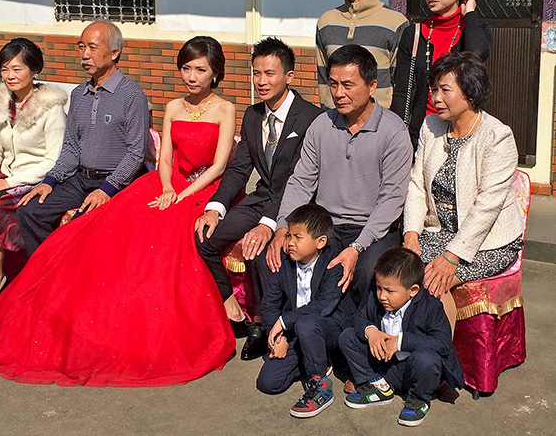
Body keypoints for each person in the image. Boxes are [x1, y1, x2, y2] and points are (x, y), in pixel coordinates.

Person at [0, 36, 237, 387]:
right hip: (165, 184)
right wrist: (166, 188)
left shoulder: (224, 108)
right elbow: (164, 159)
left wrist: (180, 195)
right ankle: (56, 300)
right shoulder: (172, 106)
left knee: (158, 234)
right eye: (186, 68)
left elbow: (219, 166)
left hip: (203, 187)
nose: (191, 76)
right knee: (100, 225)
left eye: (200, 70)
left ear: (215, 73)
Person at [195, 38, 322, 361]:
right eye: (256, 74)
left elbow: (299, 179)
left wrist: (269, 224)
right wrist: (215, 207)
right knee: (204, 237)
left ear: (289, 77)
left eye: (270, 74)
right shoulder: (252, 115)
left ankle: (269, 325)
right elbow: (239, 169)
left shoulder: (310, 118)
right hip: (261, 198)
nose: (261, 82)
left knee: (264, 250)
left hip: (298, 204)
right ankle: (234, 311)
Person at [271, 44, 413, 308]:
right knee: (279, 257)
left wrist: (358, 247)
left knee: (366, 272)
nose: (338, 93)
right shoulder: (321, 125)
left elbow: (392, 199)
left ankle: (361, 338)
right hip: (327, 226)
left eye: (348, 85)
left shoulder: (393, 132)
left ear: (372, 86)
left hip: (374, 231)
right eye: (333, 84)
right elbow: (301, 181)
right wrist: (283, 227)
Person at [402, 52, 524, 331]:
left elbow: (487, 207)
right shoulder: (431, 127)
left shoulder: (497, 136)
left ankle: (438, 362)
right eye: (434, 89)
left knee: (434, 283)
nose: (435, 98)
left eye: (445, 90)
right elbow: (417, 185)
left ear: (470, 92)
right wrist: (411, 236)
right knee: (401, 274)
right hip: (439, 232)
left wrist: (451, 257)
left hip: (487, 241)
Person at [16, 20, 150, 256]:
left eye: (93, 47)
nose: (85, 54)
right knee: (30, 211)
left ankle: (69, 281)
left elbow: (136, 153)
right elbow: (71, 147)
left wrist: (107, 189)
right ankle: (45, 274)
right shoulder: (79, 94)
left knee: (80, 223)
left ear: (115, 53)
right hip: (81, 179)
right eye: (81, 46)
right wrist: (50, 181)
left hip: (117, 183)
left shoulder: (131, 94)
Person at [0, 38, 67, 307]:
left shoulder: (50, 107)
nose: (10, 76)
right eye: (5, 69)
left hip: (33, 179)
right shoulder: (1, 101)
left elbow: (54, 160)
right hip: (4, 177)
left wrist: (9, 181)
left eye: (17, 69)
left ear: (34, 70)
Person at [339, 248, 464, 427]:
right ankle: (378, 386)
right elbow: (360, 318)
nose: (382, 296)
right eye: (379, 288)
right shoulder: (377, 299)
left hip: (415, 372)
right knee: (348, 337)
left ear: (413, 290)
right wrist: (371, 331)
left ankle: (418, 400)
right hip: (386, 366)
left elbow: (443, 344)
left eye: (389, 291)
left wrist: (401, 342)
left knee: (426, 359)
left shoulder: (430, 307)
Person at [256, 204, 356, 419]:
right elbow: (270, 304)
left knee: (307, 323)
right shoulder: (285, 261)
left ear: (320, 242)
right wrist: (278, 337)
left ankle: (320, 385)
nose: (290, 242)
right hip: (297, 331)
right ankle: (315, 358)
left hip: (329, 329)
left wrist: (284, 321)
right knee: (268, 383)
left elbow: (324, 305)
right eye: (289, 235)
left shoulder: (334, 262)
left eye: (298, 237)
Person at [391, 0, 492, 149]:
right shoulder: (414, 34)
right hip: (421, 133)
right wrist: (397, 135)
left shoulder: (474, 32)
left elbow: (476, 55)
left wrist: (470, 14)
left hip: (462, 133)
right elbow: (402, 90)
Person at [316, 0, 408, 109]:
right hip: (334, 126)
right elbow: (323, 80)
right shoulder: (326, 22)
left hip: (379, 128)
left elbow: (401, 86)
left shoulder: (395, 23)